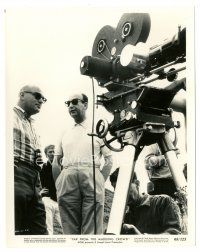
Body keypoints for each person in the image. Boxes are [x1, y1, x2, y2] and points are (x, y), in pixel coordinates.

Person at [52, 93, 113, 234]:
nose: (71, 106)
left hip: (92, 175)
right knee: (69, 227)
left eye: (74, 102)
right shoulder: (64, 131)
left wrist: (99, 180)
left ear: (85, 105)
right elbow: (56, 161)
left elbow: (109, 159)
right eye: (68, 103)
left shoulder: (98, 129)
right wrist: (59, 183)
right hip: (67, 178)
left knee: (92, 228)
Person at [13, 85, 48, 235]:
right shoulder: (8, 115)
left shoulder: (32, 123)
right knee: (15, 226)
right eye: (37, 96)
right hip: (16, 173)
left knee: (39, 231)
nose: (41, 101)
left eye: (43, 99)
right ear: (22, 95)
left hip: (34, 179)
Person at [110, 168, 182, 235]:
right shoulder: (124, 216)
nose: (121, 194)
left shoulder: (163, 202)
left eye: (124, 188)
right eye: (117, 190)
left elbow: (174, 234)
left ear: (137, 184)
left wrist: (141, 238)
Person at [40, 145, 62, 235]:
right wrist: (39, 192)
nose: (52, 153)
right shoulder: (43, 167)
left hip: (60, 201)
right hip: (47, 200)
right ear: (46, 154)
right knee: (49, 229)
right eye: (50, 152)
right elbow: (38, 183)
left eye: (54, 151)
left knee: (68, 227)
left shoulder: (62, 167)